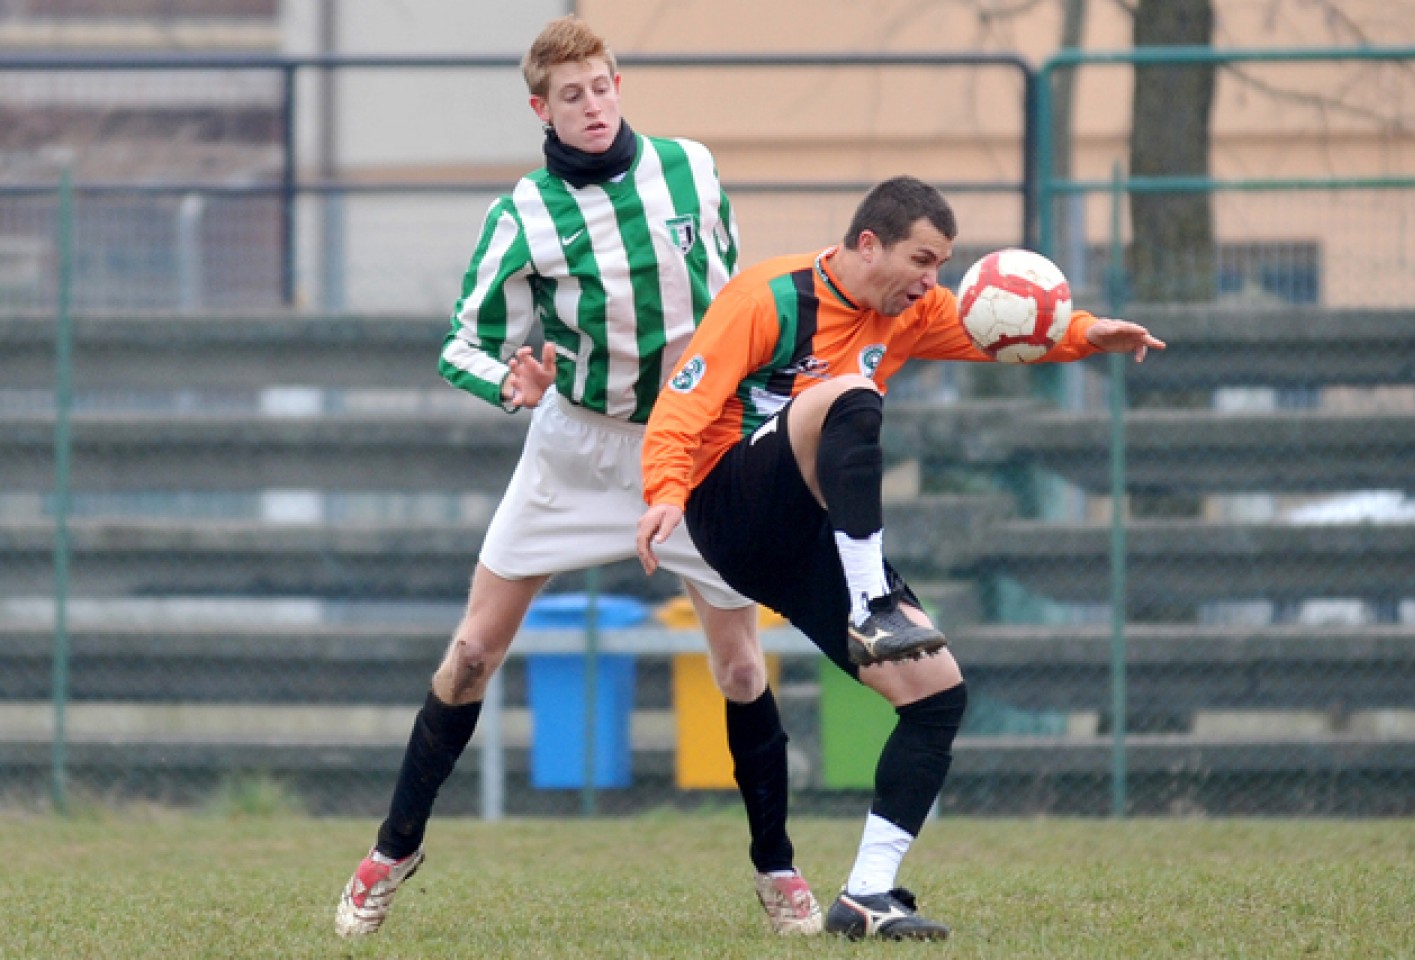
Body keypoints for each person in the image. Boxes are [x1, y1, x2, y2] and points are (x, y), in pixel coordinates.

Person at [335, 16, 830, 939]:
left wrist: (759, 388)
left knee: (736, 664)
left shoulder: (691, 166)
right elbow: (462, 341)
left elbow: (731, 294)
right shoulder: (523, 214)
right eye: (573, 95)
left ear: (617, 85)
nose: (594, 105)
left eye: (602, 86)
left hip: (693, 446)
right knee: (473, 653)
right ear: (542, 108)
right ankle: (392, 848)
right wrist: (510, 381)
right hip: (577, 448)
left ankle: (779, 870)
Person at [637, 175, 1165, 940]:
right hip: (731, 505)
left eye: (943, 265)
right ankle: (871, 605)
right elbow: (683, 403)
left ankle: (865, 895)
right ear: (866, 244)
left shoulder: (912, 311)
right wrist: (662, 490)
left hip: (806, 536)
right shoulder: (769, 298)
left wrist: (1088, 334)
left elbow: (999, 327)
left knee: (936, 695)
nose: (933, 281)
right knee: (850, 395)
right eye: (923, 259)